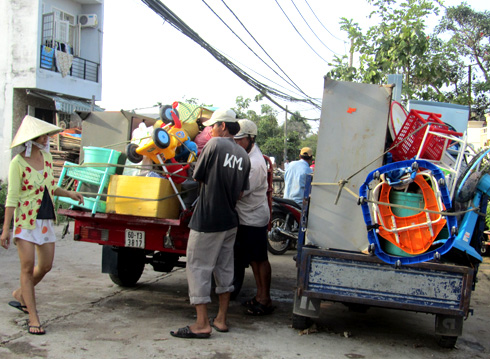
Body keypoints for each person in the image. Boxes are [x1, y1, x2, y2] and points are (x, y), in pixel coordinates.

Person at [170, 109, 251, 339]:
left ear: (223, 127)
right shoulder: (244, 156)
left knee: (197, 268)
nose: (210, 130)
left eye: (213, 126)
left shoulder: (214, 145)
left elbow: (197, 177)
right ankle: (221, 319)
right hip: (229, 221)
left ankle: (202, 323)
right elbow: (240, 194)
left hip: (207, 219)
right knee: (225, 270)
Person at [1, 115, 84, 335]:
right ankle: (33, 317)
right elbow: (12, 197)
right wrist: (6, 229)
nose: (48, 138)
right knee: (27, 268)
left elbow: (50, 187)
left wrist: (69, 193)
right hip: (25, 222)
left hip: (45, 219)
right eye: (45, 135)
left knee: (45, 266)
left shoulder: (47, 158)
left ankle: (21, 294)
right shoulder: (17, 163)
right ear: (35, 138)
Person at [233, 119, 274, 315]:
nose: (236, 143)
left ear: (250, 139)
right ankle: (260, 296)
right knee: (254, 260)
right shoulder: (245, 156)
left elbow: (240, 192)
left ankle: (264, 298)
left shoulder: (255, 164)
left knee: (259, 259)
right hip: (247, 216)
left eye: (240, 140)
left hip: (253, 217)